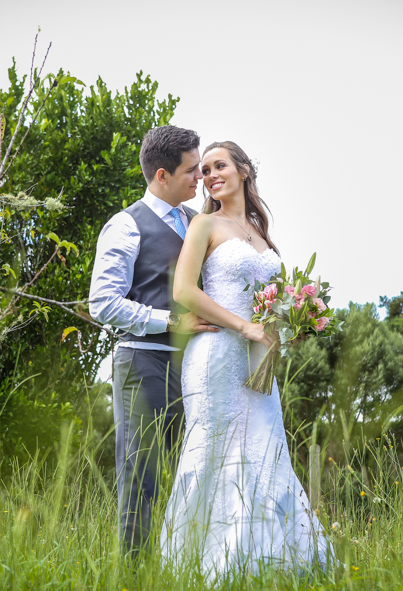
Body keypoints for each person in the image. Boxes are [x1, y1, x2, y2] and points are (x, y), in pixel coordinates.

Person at [160, 141, 334, 578]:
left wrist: (291, 323)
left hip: (258, 363)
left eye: (219, 165)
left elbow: (269, 302)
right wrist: (244, 327)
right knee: (214, 453)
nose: (210, 175)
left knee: (266, 450)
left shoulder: (260, 231)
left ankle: (269, 565)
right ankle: (202, 567)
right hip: (216, 356)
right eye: (204, 170)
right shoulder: (204, 223)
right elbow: (184, 290)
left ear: (243, 170)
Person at [88, 125, 218, 555]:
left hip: (198, 367)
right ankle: (134, 574)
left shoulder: (198, 222)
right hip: (143, 364)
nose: (200, 177)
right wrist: (171, 320)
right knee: (140, 477)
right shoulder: (126, 225)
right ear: (162, 175)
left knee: (198, 471)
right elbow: (102, 303)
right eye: (191, 170)